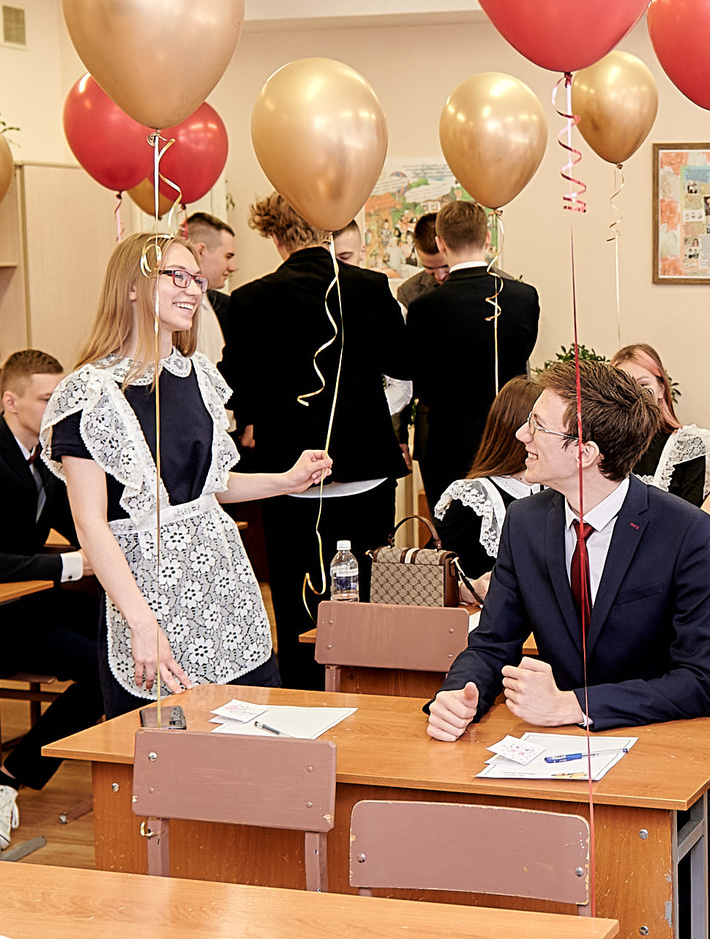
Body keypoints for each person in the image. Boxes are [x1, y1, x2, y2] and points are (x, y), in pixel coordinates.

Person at [424, 359, 710, 939]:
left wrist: (577, 706)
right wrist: (460, 693)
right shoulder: (528, 524)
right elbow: (491, 644)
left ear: (585, 451)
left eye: (538, 425)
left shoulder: (683, 531)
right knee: (577, 858)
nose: (521, 435)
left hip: (666, 741)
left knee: (654, 867)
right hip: (562, 749)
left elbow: (698, 680)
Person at [41, 231, 333, 702]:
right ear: (132, 286)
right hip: (147, 597)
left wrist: (286, 480)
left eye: (197, 278)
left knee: (254, 733)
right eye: (176, 275)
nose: (193, 289)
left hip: (225, 585)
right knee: (167, 753)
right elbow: (89, 522)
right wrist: (142, 623)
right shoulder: (89, 393)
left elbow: (208, 491)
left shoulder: (198, 374)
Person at [221, 195, 413, 688]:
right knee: (370, 588)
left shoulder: (249, 300)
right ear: (329, 228)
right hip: (367, 465)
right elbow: (402, 367)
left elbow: (241, 390)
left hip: (286, 476)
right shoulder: (371, 288)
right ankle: (369, 690)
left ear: (276, 236)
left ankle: (303, 698)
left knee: (294, 594)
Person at [0, 348, 110, 847]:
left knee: (121, 627)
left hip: (27, 600)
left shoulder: (40, 457)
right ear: (10, 401)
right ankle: (4, 782)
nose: (55, 410)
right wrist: (77, 562)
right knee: (104, 666)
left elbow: (76, 522)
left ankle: (142, 760)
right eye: (45, 399)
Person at [407, 200, 540, 504]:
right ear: (487, 239)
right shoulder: (525, 297)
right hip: (511, 433)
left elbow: (420, 380)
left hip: (447, 440)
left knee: (454, 533)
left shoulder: (424, 308)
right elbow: (522, 354)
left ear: (441, 243)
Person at [430, 375, 542, 601]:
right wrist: (468, 589)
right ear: (519, 430)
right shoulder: (475, 498)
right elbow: (430, 574)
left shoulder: (558, 489)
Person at [613, 341, 710, 506]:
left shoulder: (688, 444)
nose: (634, 394)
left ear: (661, 388)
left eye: (643, 384)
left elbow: (692, 517)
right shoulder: (601, 445)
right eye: (624, 386)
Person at [183, 211, 239, 359]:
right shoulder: (166, 308)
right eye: (227, 257)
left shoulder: (227, 306)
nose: (232, 267)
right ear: (200, 251)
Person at [394, 210, 446, 311]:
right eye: (430, 269)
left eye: (445, 266)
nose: (440, 276)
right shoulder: (408, 293)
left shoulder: (481, 284)